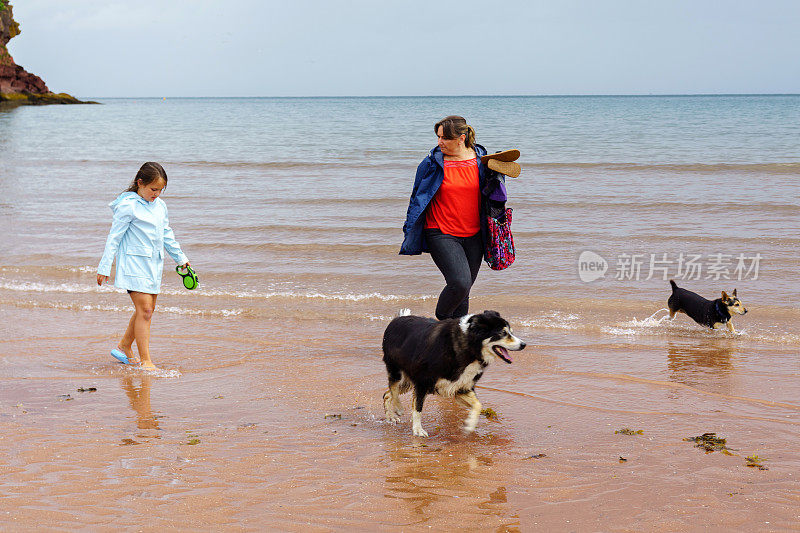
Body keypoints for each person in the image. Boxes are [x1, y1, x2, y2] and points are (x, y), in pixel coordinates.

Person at [400, 116, 504, 320]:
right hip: (440, 232)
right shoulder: (431, 164)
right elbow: (416, 197)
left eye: (444, 138)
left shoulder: (482, 163)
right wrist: (409, 228)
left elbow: (495, 195)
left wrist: (498, 175)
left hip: (475, 235)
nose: (439, 142)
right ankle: (441, 318)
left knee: (463, 293)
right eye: (438, 137)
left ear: (461, 138)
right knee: (460, 282)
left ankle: (453, 339)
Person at [97, 162, 190, 369]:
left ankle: (123, 347)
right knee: (146, 310)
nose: (156, 194)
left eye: (160, 190)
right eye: (153, 189)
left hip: (153, 265)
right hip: (132, 264)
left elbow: (167, 234)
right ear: (140, 183)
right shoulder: (127, 206)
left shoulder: (160, 206)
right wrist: (104, 267)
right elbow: (114, 238)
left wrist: (181, 258)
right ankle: (146, 361)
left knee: (146, 310)